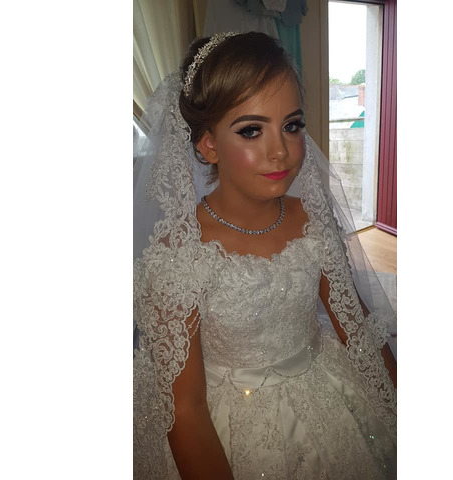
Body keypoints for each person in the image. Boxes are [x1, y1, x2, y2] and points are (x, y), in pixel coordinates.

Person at [133, 31, 397, 479]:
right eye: (251, 130)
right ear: (208, 144)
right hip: (227, 426)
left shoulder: (312, 220)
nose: (281, 150)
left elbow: (355, 325)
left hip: (324, 397)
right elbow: (186, 406)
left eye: (291, 125)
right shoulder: (179, 253)